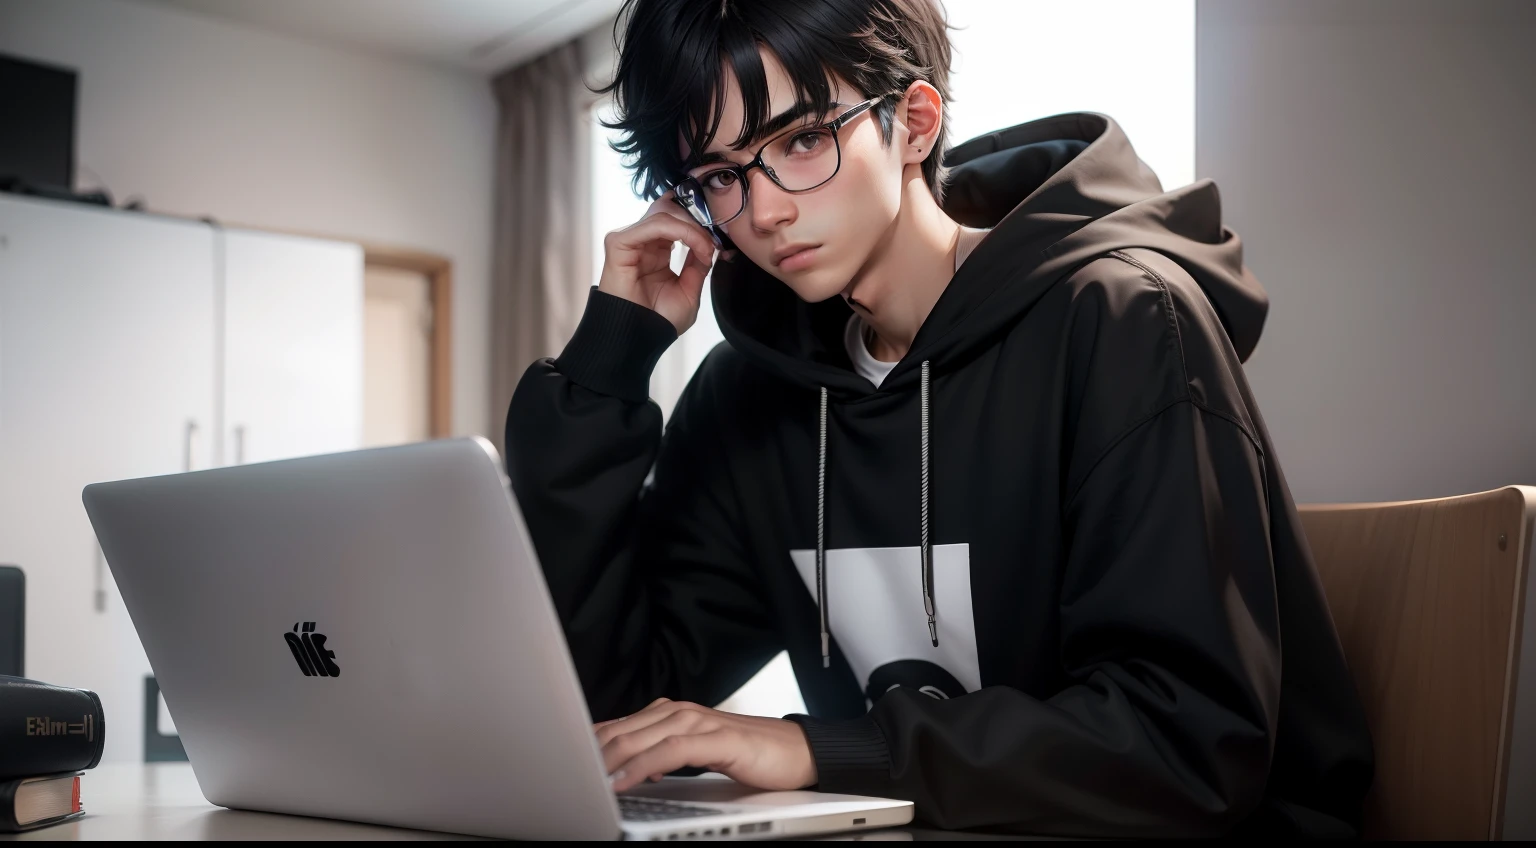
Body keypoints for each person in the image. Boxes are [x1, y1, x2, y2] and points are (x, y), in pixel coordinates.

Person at [505, 0, 1373, 837]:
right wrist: (607, 370)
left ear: (915, 124)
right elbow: (619, 708)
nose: (764, 212)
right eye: (721, 177)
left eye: (802, 140)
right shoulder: (751, 396)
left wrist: (824, 748)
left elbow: (1190, 746)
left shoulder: (1123, 321)